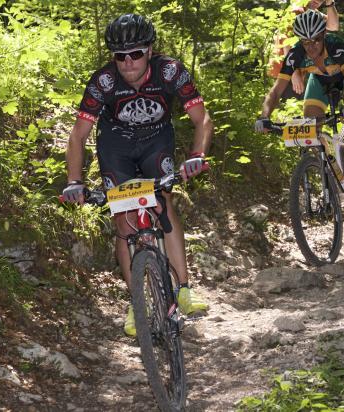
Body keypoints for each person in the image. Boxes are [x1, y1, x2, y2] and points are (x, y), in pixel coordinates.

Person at [62, 14, 213, 336]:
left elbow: (202, 120)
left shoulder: (170, 71)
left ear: (150, 51)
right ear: (112, 57)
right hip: (116, 145)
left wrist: (197, 156)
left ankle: (183, 288)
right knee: (124, 215)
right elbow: (78, 135)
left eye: (136, 54)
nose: (128, 63)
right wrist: (74, 181)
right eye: (120, 56)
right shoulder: (102, 81)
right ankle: (138, 304)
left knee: (163, 202)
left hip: (156, 141)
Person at [256, 9, 344, 193]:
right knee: (310, 125)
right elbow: (275, 92)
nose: (311, 46)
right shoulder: (296, 54)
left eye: (316, 39)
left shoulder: (335, 46)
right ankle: (329, 168)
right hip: (320, 78)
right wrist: (264, 116)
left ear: (324, 34)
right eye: (306, 42)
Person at [269, 0, 339, 99]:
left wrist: (330, 3)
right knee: (289, 108)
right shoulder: (296, 10)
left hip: (299, 71)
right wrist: (294, 73)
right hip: (284, 72)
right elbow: (286, 43)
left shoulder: (313, 13)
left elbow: (333, 26)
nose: (318, 1)